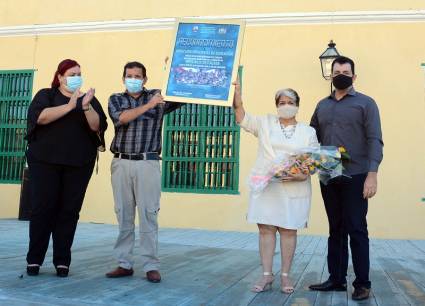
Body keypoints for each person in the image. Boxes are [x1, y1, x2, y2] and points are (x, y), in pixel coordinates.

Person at [232, 80, 319, 294]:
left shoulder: (308, 131)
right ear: (276, 105)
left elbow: (315, 160)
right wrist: (237, 97)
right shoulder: (265, 123)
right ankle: (266, 274)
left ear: (298, 105)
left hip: (294, 188)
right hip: (267, 186)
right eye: (282, 102)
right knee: (266, 230)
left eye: (290, 102)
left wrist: (301, 174)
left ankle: (286, 276)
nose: (286, 105)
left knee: (289, 231)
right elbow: (242, 118)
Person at [309, 56, 383, 301]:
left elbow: (375, 140)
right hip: (329, 171)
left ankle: (362, 283)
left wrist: (372, 175)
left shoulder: (366, 104)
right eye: (337, 71)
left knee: (357, 228)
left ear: (354, 76)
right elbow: (310, 137)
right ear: (331, 76)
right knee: (335, 228)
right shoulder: (321, 105)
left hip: (357, 173)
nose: (341, 74)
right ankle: (336, 279)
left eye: (346, 71)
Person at [25, 59, 108, 277]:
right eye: (71, 73)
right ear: (60, 77)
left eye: (79, 73)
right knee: (43, 209)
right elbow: (40, 117)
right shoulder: (46, 95)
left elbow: (96, 126)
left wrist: (85, 105)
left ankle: (62, 261)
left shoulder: (88, 99)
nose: (76, 77)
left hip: (78, 165)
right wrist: (70, 106)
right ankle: (34, 260)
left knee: (68, 212)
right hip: (45, 163)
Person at [106, 61, 182, 283]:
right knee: (123, 213)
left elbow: (186, 95)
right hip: (122, 163)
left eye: (138, 76)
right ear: (123, 78)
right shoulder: (116, 99)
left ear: (145, 79)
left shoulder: (159, 97)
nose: (133, 79)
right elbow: (121, 118)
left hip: (148, 163)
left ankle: (150, 265)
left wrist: (176, 70)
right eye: (129, 75)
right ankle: (124, 263)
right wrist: (150, 105)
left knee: (149, 214)